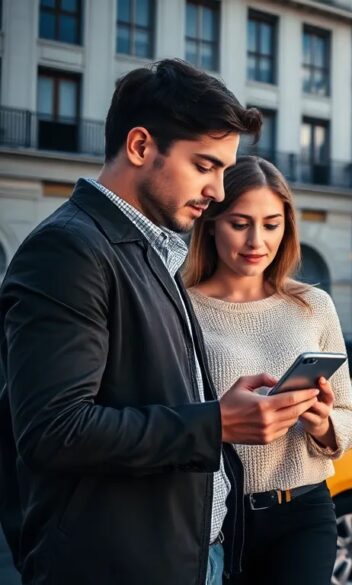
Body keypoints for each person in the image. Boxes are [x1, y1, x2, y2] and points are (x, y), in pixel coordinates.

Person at [0, 59, 321, 585]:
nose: (218, 190)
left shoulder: (149, 248)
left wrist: (218, 404)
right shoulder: (70, 250)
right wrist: (217, 423)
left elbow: (144, 394)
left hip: (186, 558)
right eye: (205, 165)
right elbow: (54, 431)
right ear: (141, 146)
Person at [185, 156, 352, 585]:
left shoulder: (313, 305)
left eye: (271, 224)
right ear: (210, 223)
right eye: (239, 223)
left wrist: (322, 425)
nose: (256, 241)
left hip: (303, 512)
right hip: (213, 521)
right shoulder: (181, 306)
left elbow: (350, 418)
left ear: (287, 228)